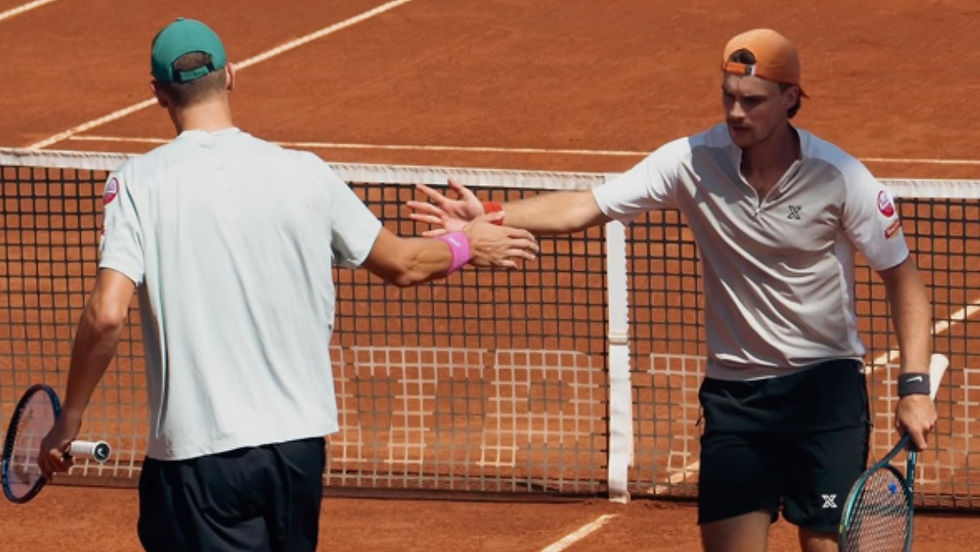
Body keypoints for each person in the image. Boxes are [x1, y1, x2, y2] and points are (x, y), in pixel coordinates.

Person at [408, 28, 938, 552]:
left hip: (822, 390)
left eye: (752, 101)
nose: (736, 113)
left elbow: (902, 280)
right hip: (735, 395)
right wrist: (493, 214)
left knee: (825, 545)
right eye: (729, 98)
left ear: (790, 99)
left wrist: (914, 387)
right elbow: (588, 205)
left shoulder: (842, 176)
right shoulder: (690, 161)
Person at [37, 17, 537, 552]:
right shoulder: (306, 173)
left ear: (158, 94)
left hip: (200, 460)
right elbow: (404, 264)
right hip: (297, 453)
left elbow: (106, 315)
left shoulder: (137, 182)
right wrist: (469, 244)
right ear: (232, 75)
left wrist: (69, 417)